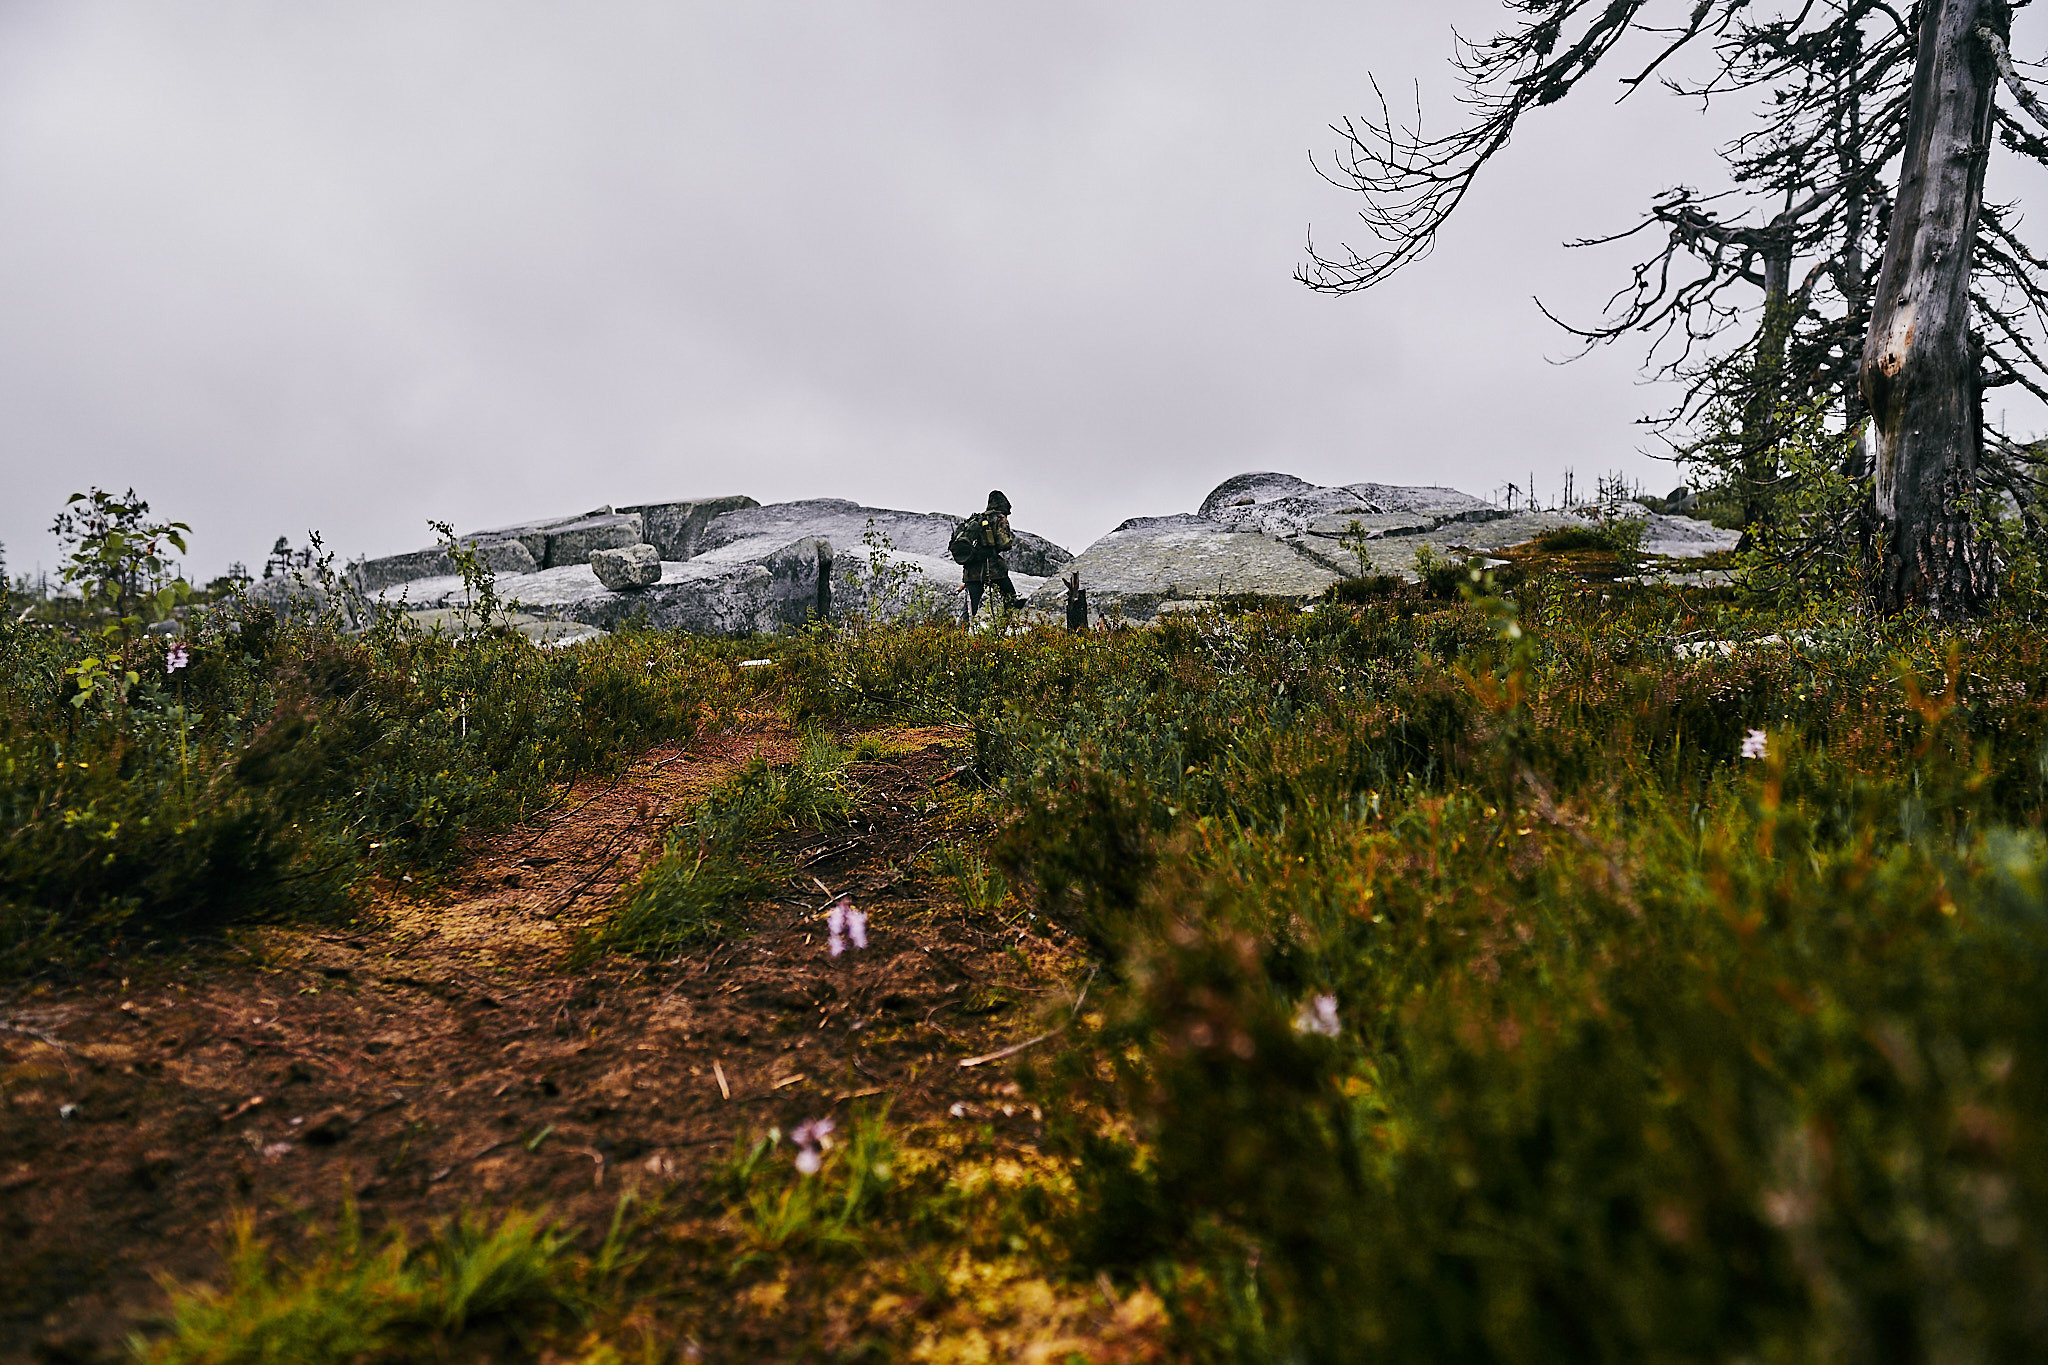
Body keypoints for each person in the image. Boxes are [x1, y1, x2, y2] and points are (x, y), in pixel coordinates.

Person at [963, 490, 1018, 617]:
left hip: (971, 570)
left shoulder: (977, 519)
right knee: (1010, 598)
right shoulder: (999, 518)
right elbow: (1004, 543)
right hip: (993, 569)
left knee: (969, 609)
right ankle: (1007, 625)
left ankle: (960, 629)